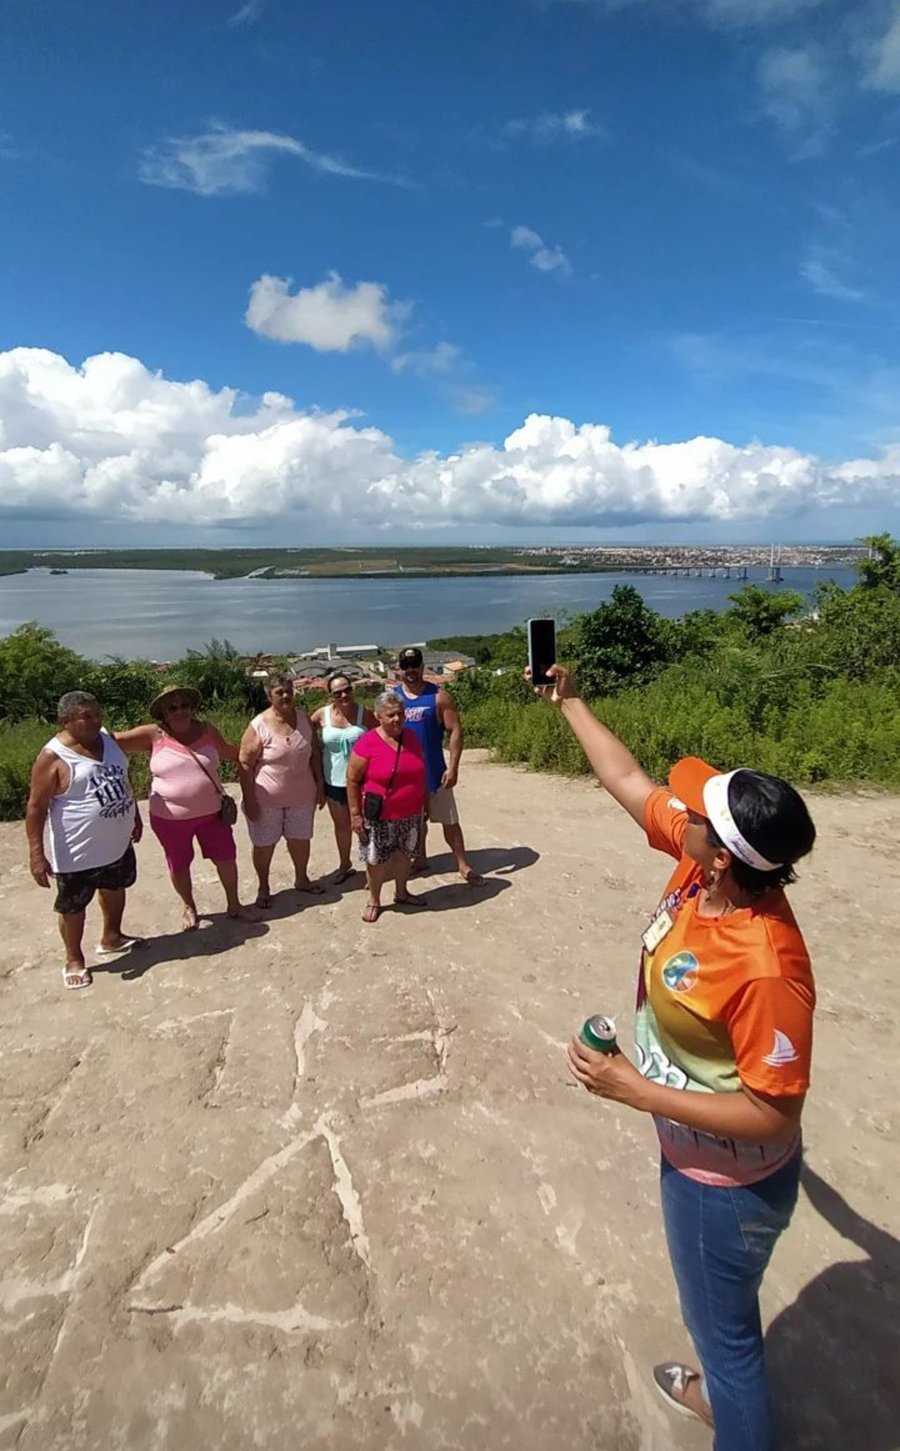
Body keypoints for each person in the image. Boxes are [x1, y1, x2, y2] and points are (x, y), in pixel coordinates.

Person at [531, 663, 816, 1451]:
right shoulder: (706, 870)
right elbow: (627, 779)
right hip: (701, 1161)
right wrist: (569, 701)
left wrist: (636, 1089)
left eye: (694, 813)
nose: (677, 809)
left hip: (725, 1186)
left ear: (723, 854)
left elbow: (773, 1113)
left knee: (727, 1344)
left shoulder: (765, 965)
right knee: (723, 1325)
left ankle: (731, 1410)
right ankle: (720, 1392)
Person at [26, 691, 144, 990]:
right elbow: (36, 807)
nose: (95, 721)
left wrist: (135, 814)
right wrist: (37, 854)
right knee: (73, 907)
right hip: (78, 851)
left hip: (117, 842)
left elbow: (123, 778)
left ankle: (112, 937)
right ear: (65, 721)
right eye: (86, 717)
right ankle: (74, 959)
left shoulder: (108, 740)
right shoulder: (53, 757)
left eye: (98, 714)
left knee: (115, 887)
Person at [115, 686, 258, 930]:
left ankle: (234, 904)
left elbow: (230, 752)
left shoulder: (207, 730)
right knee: (179, 862)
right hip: (169, 818)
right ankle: (189, 906)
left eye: (185, 705)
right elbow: (111, 741)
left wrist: (261, 755)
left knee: (226, 857)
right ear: (164, 713)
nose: (180, 711)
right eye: (173, 708)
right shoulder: (153, 734)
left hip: (213, 813)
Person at [392, 646, 482, 885]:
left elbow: (455, 730)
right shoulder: (393, 699)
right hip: (405, 774)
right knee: (414, 821)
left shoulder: (439, 696)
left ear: (422, 667)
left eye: (415, 665)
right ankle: (419, 858)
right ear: (400, 669)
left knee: (449, 820)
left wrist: (453, 767)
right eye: (406, 666)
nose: (410, 670)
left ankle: (462, 863)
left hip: (435, 771)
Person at [238, 674, 325, 907]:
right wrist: (249, 800)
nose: (286, 696)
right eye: (279, 692)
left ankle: (302, 879)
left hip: (302, 796)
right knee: (264, 845)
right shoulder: (259, 725)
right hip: (266, 800)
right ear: (269, 696)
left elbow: (315, 753)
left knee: (300, 840)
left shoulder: (304, 719)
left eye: (289, 691)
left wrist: (320, 784)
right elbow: (245, 764)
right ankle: (263, 887)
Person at [346, 692, 428, 923]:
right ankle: (374, 900)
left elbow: (420, 773)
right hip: (380, 814)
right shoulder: (367, 743)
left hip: (410, 811)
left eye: (400, 713)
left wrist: (425, 804)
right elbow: (352, 779)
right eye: (390, 715)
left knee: (405, 855)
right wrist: (355, 814)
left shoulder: (412, 738)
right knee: (376, 859)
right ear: (378, 716)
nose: (397, 719)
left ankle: (402, 892)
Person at [310, 673, 375, 883]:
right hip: (334, 781)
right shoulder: (321, 715)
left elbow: (381, 737)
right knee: (342, 826)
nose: (344, 695)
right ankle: (344, 864)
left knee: (366, 825)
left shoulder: (364, 714)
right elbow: (307, 737)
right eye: (338, 693)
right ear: (331, 695)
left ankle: (372, 868)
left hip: (363, 781)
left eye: (347, 690)